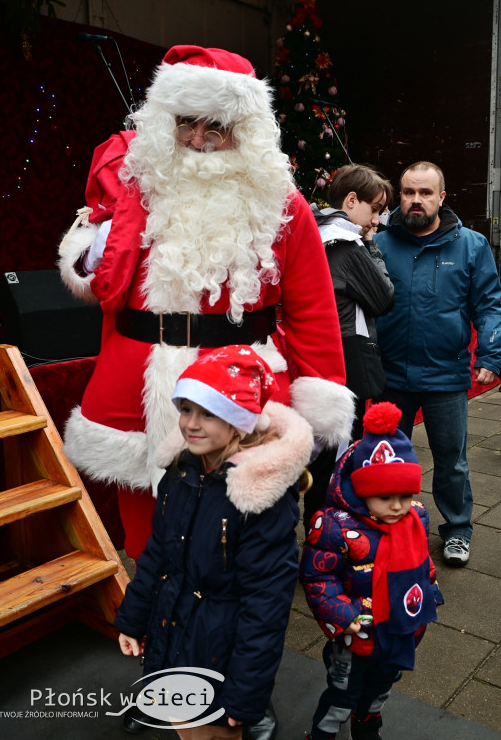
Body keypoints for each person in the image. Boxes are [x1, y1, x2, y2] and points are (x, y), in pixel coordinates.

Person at [58, 44, 355, 562]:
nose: (197, 140)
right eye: (185, 123)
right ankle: (154, 612)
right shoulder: (137, 188)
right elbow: (96, 280)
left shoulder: (281, 204)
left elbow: (311, 308)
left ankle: (232, 616)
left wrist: (321, 391)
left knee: (240, 517)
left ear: (244, 131)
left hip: (241, 377)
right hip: (138, 376)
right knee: (146, 519)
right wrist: (91, 253)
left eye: (214, 127)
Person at [114, 344, 315, 739]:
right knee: (183, 727)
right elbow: (157, 555)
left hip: (219, 650)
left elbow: (266, 605)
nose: (190, 423)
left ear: (239, 421)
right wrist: (134, 619)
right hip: (175, 631)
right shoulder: (183, 470)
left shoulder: (258, 499)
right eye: (186, 409)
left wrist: (245, 694)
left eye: (208, 412)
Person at [375, 161, 501, 567]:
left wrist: (491, 355)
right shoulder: (378, 243)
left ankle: (458, 530)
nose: (416, 200)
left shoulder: (472, 245)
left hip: (445, 374)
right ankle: (385, 528)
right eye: (409, 192)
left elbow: (488, 305)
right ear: (400, 195)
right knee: (387, 457)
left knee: (452, 462)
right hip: (390, 373)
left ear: (441, 197)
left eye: (425, 193)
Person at [300, 402, 443, 740]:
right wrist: (341, 613)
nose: (398, 506)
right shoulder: (334, 526)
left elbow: (423, 564)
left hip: (401, 630)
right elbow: (319, 576)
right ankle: (322, 734)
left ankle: (367, 725)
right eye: (386, 497)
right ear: (361, 491)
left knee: (381, 689)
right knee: (342, 694)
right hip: (356, 633)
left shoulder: (415, 518)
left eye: (405, 495)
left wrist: (429, 597)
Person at [303, 165, 394, 535]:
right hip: (345, 362)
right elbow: (384, 296)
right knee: (336, 457)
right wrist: (370, 243)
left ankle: (310, 535)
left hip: (313, 357)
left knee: (314, 456)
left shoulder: (313, 233)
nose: (377, 220)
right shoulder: (348, 244)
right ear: (351, 200)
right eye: (374, 209)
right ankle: (325, 540)